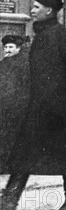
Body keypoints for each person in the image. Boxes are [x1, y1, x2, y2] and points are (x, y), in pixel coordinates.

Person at [1, 0, 66, 210]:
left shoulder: (61, 35)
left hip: (59, 109)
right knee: (26, 153)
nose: (32, 10)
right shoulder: (42, 34)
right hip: (40, 106)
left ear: (49, 11)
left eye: (36, 7)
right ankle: (9, 199)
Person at [0, 36, 29, 172]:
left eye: (11, 47)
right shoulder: (3, 63)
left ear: (18, 48)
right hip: (4, 106)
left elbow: (26, 85)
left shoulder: (24, 64)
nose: (7, 50)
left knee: (15, 136)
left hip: (18, 106)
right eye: (5, 47)